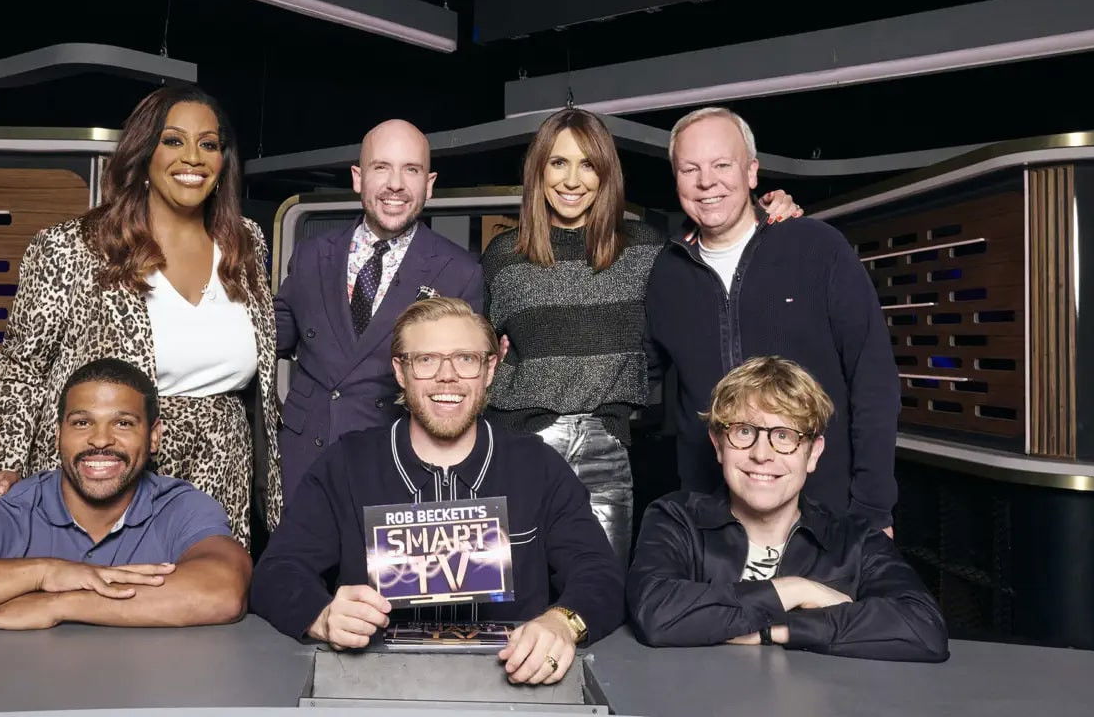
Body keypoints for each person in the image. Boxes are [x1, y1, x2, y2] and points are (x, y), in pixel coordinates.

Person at [0, 84, 282, 546]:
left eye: (209, 144)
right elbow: (22, 368)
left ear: (224, 162)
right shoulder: (72, 246)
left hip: (219, 472)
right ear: (144, 153)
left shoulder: (246, 241)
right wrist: (8, 465)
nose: (193, 157)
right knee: (91, 584)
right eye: (173, 140)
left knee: (199, 589)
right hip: (103, 467)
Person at [251, 298, 624, 685]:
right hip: (374, 683)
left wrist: (563, 623)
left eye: (466, 359)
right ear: (401, 371)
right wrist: (322, 614)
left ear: (489, 369)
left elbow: (600, 574)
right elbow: (277, 572)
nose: (448, 376)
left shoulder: (537, 466)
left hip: (512, 685)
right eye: (426, 360)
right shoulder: (347, 464)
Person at [482, 108, 800, 561]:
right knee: (515, 585)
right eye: (558, 163)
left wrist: (769, 211)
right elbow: (474, 352)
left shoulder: (645, 248)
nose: (571, 180)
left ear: (605, 174)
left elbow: (713, 247)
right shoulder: (503, 255)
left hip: (605, 447)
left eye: (587, 164)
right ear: (538, 170)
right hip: (519, 445)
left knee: (601, 586)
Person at [0, 358, 251, 632]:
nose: (100, 440)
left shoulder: (180, 505)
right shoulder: (4, 507)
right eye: (82, 423)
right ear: (58, 434)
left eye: (123, 423)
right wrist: (44, 573)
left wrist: (60, 603)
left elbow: (223, 592)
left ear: (154, 437)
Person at [645, 107, 899, 535]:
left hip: (826, 514)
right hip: (713, 521)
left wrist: (873, 510)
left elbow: (873, 379)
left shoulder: (817, 247)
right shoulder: (666, 273)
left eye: (722, 165)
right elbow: (639, 373)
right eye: (690, 169)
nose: (707, 181)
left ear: (751, 172)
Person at [627, 357, 947, 661]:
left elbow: (924, 628)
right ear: (718, 445)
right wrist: (795, 590)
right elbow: (655, 612)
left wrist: (779, 631)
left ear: (813, 454)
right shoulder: (677, 519)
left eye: (784, 435)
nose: (761, 454)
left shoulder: (855, 539)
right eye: (744, 431)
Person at [274, 119, 485, 498]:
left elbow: (462, 385)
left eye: (411, 170)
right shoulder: (311, 255)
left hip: (399, 465)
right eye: (381, 167)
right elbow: (269, 338)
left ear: (429, 184)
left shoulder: (459, 272)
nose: (396, 184)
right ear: (358, 178)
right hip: (306, 458)